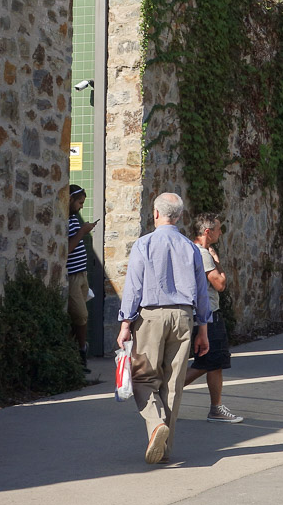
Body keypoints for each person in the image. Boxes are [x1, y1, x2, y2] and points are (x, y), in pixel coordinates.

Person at [116, 192, 211, 465]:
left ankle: (156, 424)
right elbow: (202, 292)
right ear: (179, 216)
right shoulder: (191, 248)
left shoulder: (143, 244)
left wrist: (125, 324)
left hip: (150, 317)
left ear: (155, 213)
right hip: (184, 316)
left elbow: (133, 287)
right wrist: (202, 328)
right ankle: (164, 448)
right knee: (173, 382)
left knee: (143, 378)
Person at [182, 213, 242, 423]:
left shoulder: (186, 248)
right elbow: (220, 284)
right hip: (208, 315)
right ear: (207, 232)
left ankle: (214, 407)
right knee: (209, 362)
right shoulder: (204, 254)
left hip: (193, 313)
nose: (221, 232)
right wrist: (217, 262)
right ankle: (169, 392)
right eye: (218, 229)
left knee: (209, 363)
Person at [66, 185, 96, 373]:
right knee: (80, 315)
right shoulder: (66, 221)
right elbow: (67, 248)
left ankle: (76, 353)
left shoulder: (74, 219)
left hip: (81, 274)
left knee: (80, 314)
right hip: (73, 277)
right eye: (79, 202)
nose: (81, 207)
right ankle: (81, 352)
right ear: (70, 200)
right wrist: (82, 232)